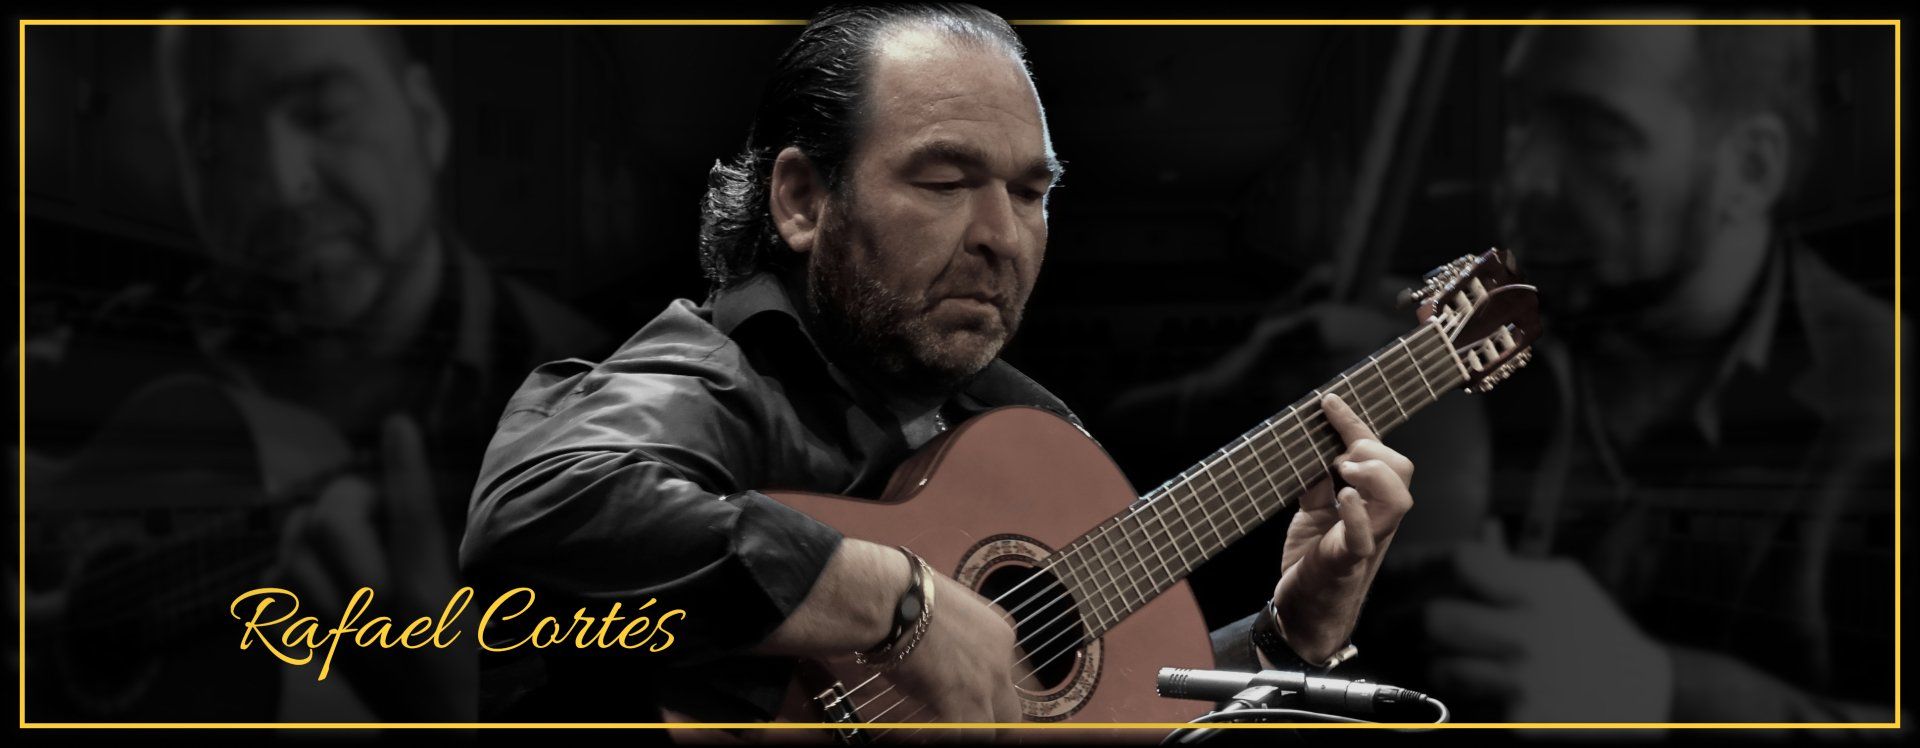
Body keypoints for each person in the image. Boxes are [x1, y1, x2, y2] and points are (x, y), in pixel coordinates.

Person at [459, 3, 1417, 731]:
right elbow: (540, 508)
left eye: (1031, 193)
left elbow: (1103, 715)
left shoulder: (1020, 432)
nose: (1002, 235)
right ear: (802, 200)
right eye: (947, 181)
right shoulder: (710, 379)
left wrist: (1287, 637)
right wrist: (896, 596)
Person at [1111, 23, 1900, 725]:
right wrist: (1239, 392)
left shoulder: (1887, 410)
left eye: (1595, 135)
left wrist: (1656, 695)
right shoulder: (1485, 331)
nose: (1525, 178)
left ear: (1751, 168)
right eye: (1524, 117)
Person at [26, 19, 608, 721]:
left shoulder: (593, 399)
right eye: (213, 141)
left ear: (426, 120)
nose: (280, 185)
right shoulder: (109, 354)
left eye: (325, 114)